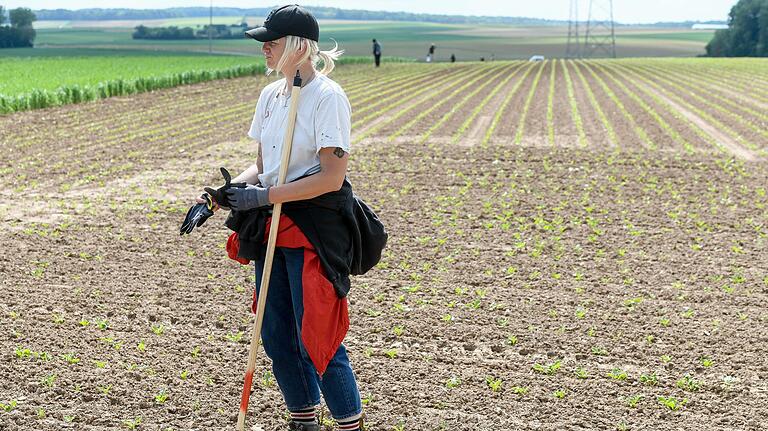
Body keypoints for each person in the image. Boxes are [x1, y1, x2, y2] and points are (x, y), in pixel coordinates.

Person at [195, 5, 363, 431]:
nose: (264, 47)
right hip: (273, 226)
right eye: (264, 41)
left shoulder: (328, 98)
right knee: (276, 336)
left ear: (299, 46)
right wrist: (224, 196)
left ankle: (349, 423)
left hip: (314, 229)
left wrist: (264, 195)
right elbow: (264, 165)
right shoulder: (271, 96)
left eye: (271, 40)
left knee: (317, 337)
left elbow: (331, 177)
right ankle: (303, 419)